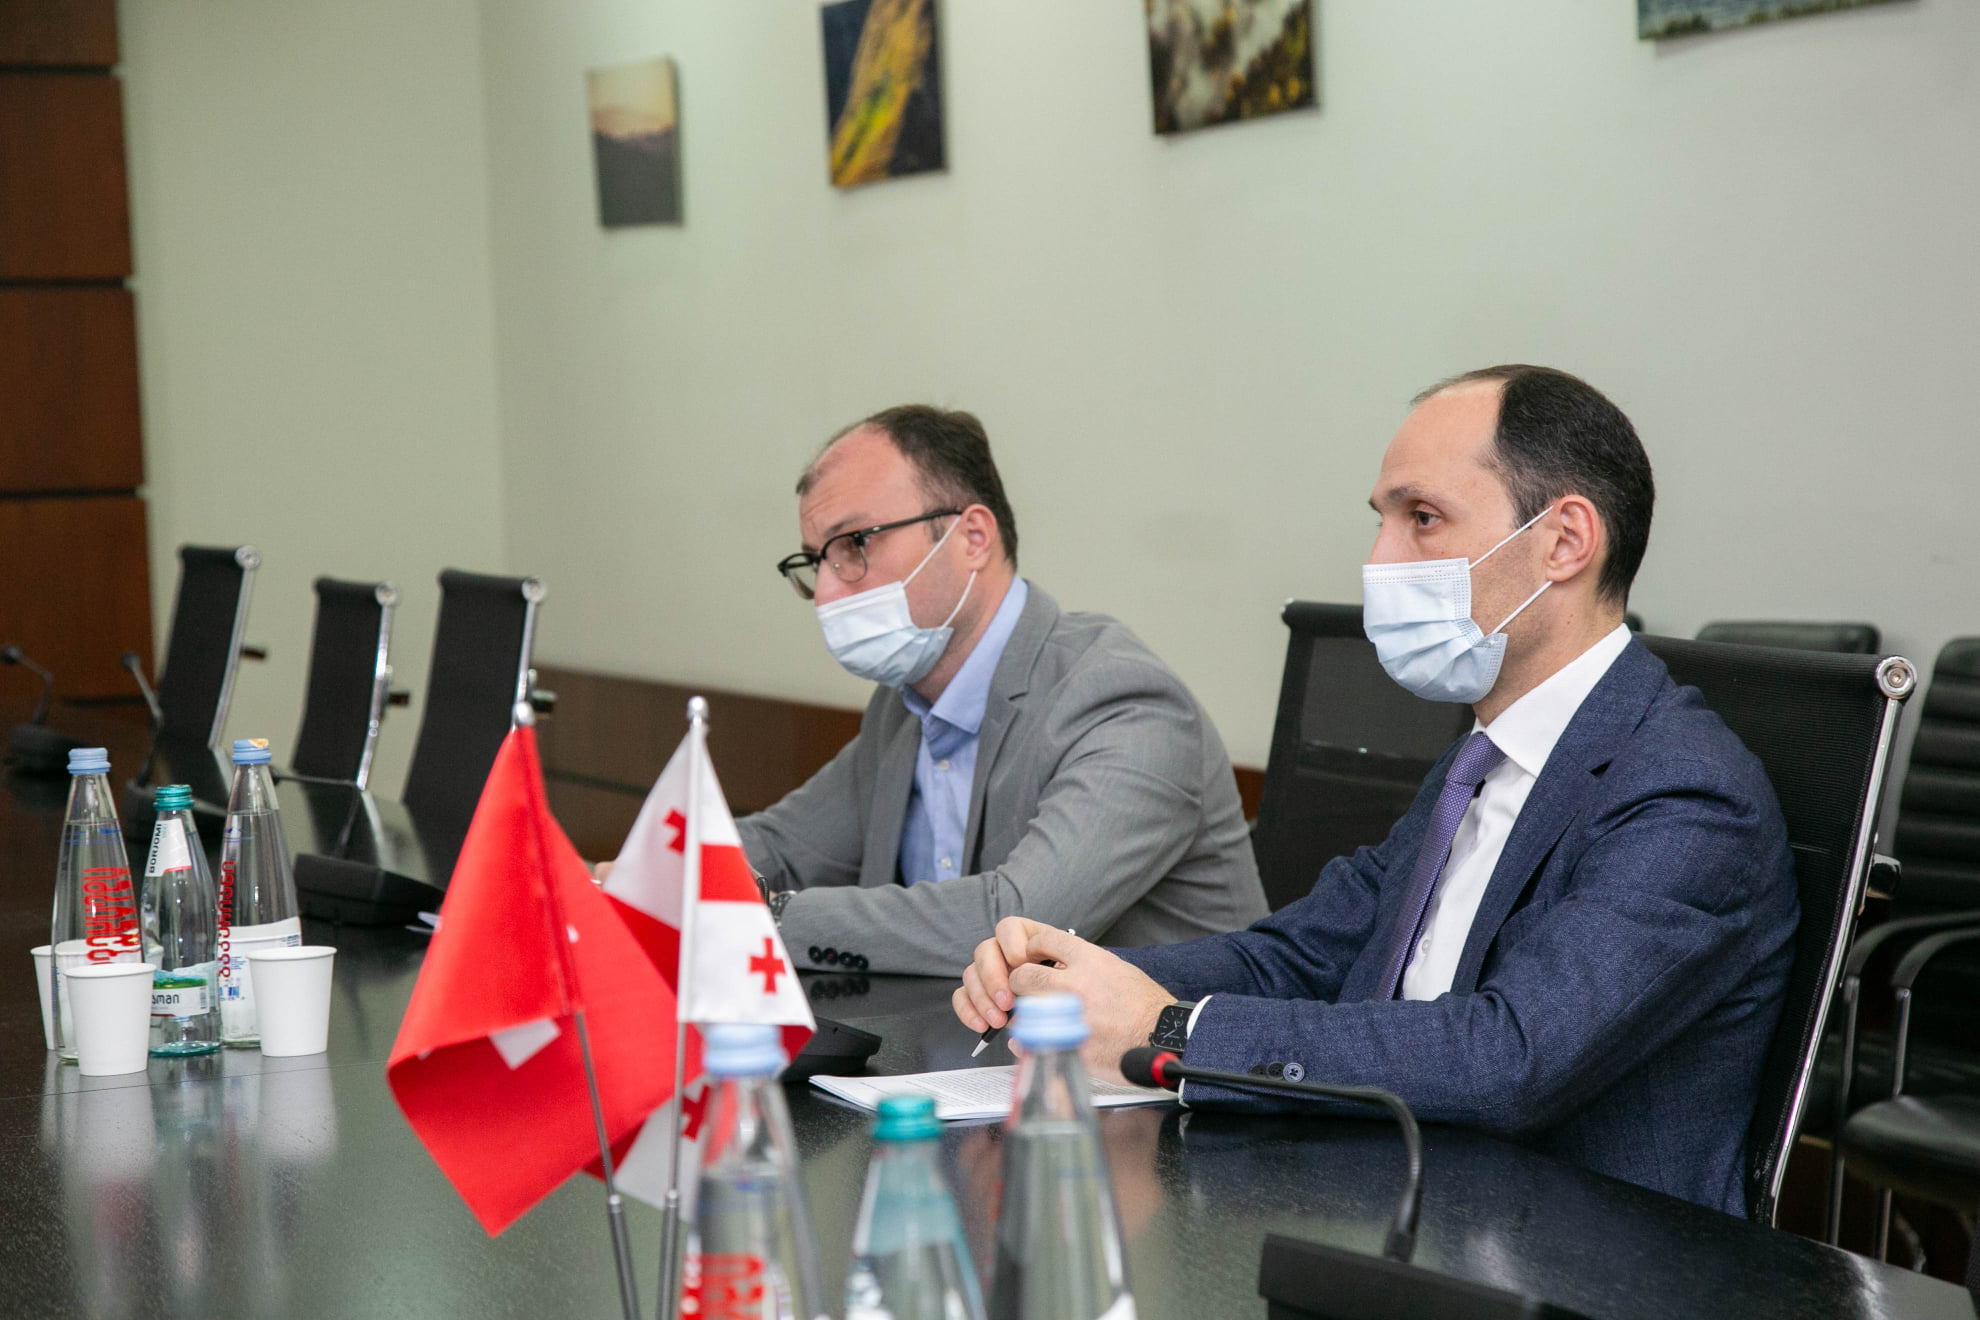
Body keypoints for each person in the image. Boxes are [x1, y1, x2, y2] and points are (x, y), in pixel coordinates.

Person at [954, 366, 1799, 1216]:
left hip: (1581, 1250)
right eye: (1382, 521)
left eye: (1422, 518)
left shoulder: (1688, 792)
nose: (1378, 561)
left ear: (1565, 541)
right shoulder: (1479, 760)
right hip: (1404, 1202)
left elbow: (1512, 1058)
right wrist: (1074, 977)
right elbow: (1303, 956)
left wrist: (1167, 1030)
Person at [695, 404, 1266, 976]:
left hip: (1175, 1034)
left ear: (972, 537)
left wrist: (765, 917)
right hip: (964, 1031)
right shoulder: (903, 706)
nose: (825, 592)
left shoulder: (1123, 701)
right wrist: (661, 866)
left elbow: (1013, 927)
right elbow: (782, 847)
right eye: (816, 560)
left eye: (854, 544)